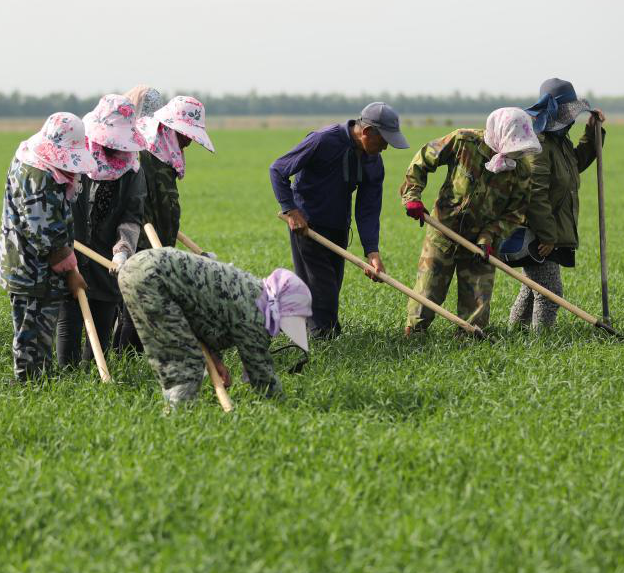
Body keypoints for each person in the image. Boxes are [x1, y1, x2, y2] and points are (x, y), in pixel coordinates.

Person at [269, 102, 409, 339]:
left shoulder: (373, 160)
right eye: (383, 141)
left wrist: (372, 251)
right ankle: (325, 339)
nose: (385, 148)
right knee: (324, 294)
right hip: (308, 227)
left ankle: (296, 326)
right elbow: (278, 170)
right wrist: (292, 211)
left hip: (338, 229)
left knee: (326, 289)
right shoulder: (323, 140)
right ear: (366, 132)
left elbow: (368, 207)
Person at [400, 107, 540, 334]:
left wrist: (489, 236)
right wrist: (412, 196)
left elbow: (515, 212)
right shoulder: (463, 142)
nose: (515, 150)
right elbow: (422, 161)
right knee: (426, 296)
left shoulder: (520, 169)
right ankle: (414, 337)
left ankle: (470, 344)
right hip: (443, 232)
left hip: (481, 244)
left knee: (477, 307)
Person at [117, 248, 311, 406]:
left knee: (175, 352)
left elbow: (201, 318)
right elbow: (261, 374)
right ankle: (179, 423)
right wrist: (287, 407)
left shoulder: (251, 289)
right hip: (153, 278)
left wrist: (215, 360)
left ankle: (176, 411)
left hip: (136, 269)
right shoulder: (255, 311)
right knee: (184, 365)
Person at [113, 87, 216, 351]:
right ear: (171, 128)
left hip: (158, 244)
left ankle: (129, 357)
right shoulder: (146, 154)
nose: (190, 142)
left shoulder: (165, 152)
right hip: (142, 246)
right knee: (137, 305)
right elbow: (138, 206)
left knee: (140, 309)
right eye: (186, 134)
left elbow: (164, 206)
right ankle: (124, 358)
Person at [0, 112, 93, 381]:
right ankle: (30, 389)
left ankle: (41, 383)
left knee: (38, 336)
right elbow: (45, 233)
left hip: (29, 267)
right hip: (32, 272)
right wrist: (71, 272)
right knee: (32, 337)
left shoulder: (30, 160)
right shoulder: (38, 176)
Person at [507, 78, 607, 329]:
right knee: (550, 294)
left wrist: (593, 131)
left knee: (533, 290)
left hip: (546, 232)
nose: (572, 119)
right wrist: (547, 236)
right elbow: (535, 194)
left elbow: (573, 166)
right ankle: (541, 346)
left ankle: (516, 336)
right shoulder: (538, 145)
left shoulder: (559, 141)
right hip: (536, 234)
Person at [55, 94, 147, 366]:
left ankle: (93, 376)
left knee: (101, 332)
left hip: (108, 261)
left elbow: (132, 216)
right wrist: (64, 252)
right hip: (72, 256)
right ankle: (67, 382)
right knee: (68, 323)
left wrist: (122, 251)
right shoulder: (75, 160)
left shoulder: (132, 170)